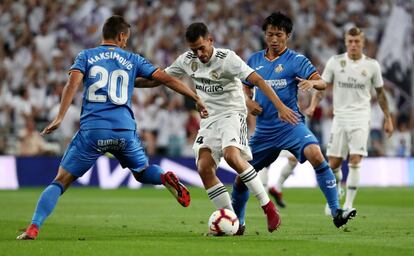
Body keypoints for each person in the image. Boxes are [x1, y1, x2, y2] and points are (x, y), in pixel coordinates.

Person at [17, 15, 208, 240]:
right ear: (120, 36)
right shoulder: (133, 59)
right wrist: (195, 96)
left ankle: (33, 227)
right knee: (143, 171)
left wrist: (60, 116)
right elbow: (165, 79)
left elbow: (73, 83)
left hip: (93, 130)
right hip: (124, 131)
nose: (126, 42)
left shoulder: (86, 56)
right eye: (126, 38)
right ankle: (164, 177)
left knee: (60, 181)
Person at [136, 22, 299, 233]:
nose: (199, 54)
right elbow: (160, 80)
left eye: (202, 48)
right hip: (209, 119)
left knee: (232, 156)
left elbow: (257, 79)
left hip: (232, 113)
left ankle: (268, 207)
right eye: (194, 50)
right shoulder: (187, 60)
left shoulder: (228, 59)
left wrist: (280, 106)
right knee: (204, 167)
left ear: (210, 41)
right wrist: (132, 82)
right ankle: (234, 222)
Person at [231, 12, 357, 234]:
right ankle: (237, 223)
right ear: (265, 35)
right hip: (264, 130)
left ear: (288, 35)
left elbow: (322, 83)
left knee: (316, 154)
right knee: (242, 178)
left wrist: (311, 82)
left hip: (291, 125)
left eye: (279, 35)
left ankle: (336, 211)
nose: (274, 39)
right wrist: (248, 102)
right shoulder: (254, 60)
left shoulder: (297, 60)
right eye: (270, 34)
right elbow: (244, 86)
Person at [306, 27, 393, 214]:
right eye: (350, 41)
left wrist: (388, 118)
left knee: (355, 160)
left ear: (363, 43)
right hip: (340, 118)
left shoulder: (372, 66)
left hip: (361, 117)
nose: (353, 45)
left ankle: (348, 204)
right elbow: (322, 88)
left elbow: (381, 94)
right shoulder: (335, 62)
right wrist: (313, 105)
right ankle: (336, 194)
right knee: (333, 164)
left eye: (357, 42)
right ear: (346, 42)